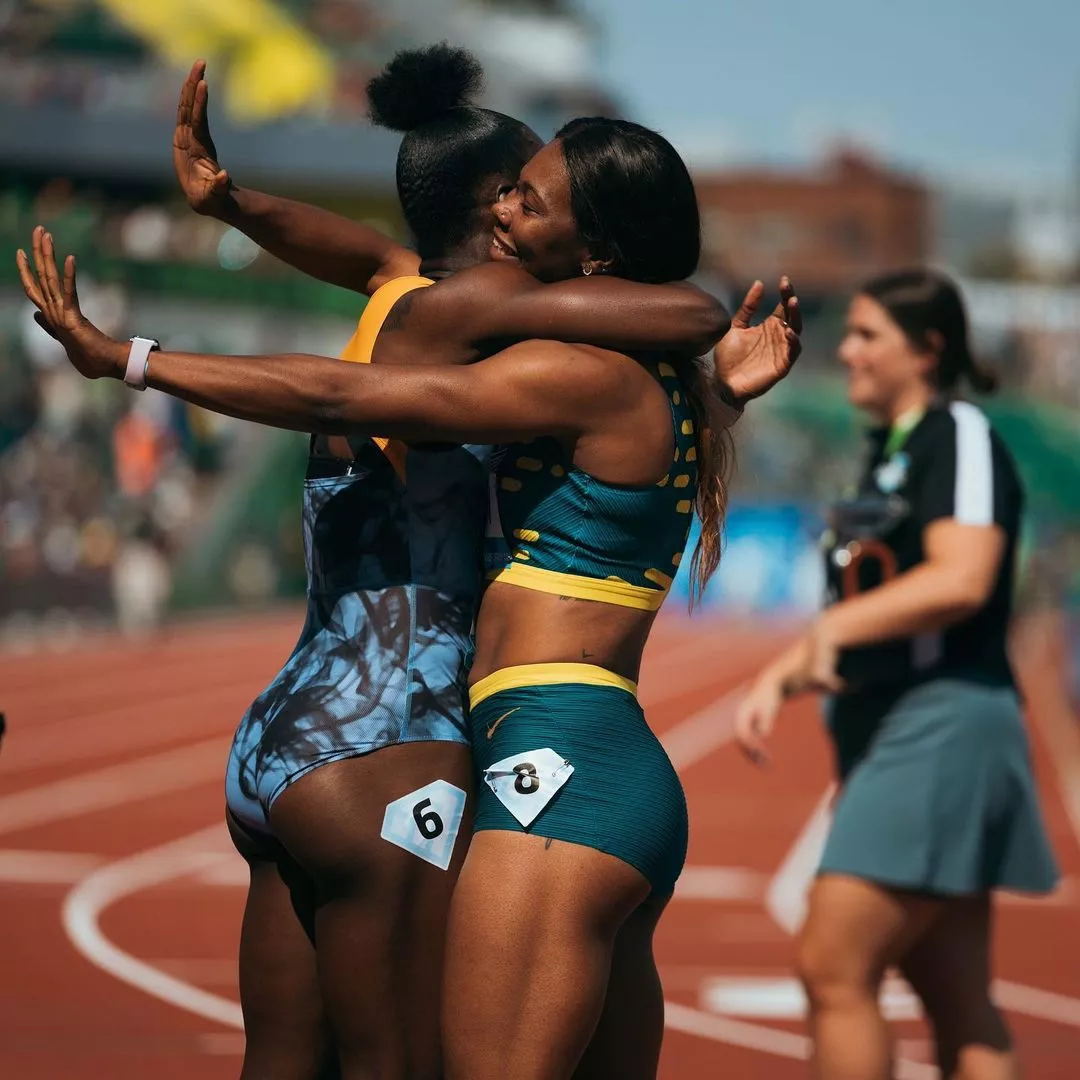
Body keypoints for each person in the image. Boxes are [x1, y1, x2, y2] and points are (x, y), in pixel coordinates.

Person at [23, 48, 801, 1080]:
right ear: (488, 214)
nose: (519, 211)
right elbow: (688, 311)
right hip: (423, 741)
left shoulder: (425, 311)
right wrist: (137, 344)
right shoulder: (488, 329)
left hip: (327, 730)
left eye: (538, 197)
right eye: (516, 192)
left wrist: (229, 215)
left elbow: (376, 276)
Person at [735, 269, 1059, 1080]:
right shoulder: (892, 449)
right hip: (896, 728)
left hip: (941, 726)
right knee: (954, 994)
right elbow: (884, 609)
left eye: (867, 335)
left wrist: (829, 630)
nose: (844, 351)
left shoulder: (961, 435)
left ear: (929, 349)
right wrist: (790, 671)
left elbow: (961, 579)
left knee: (833, 966)